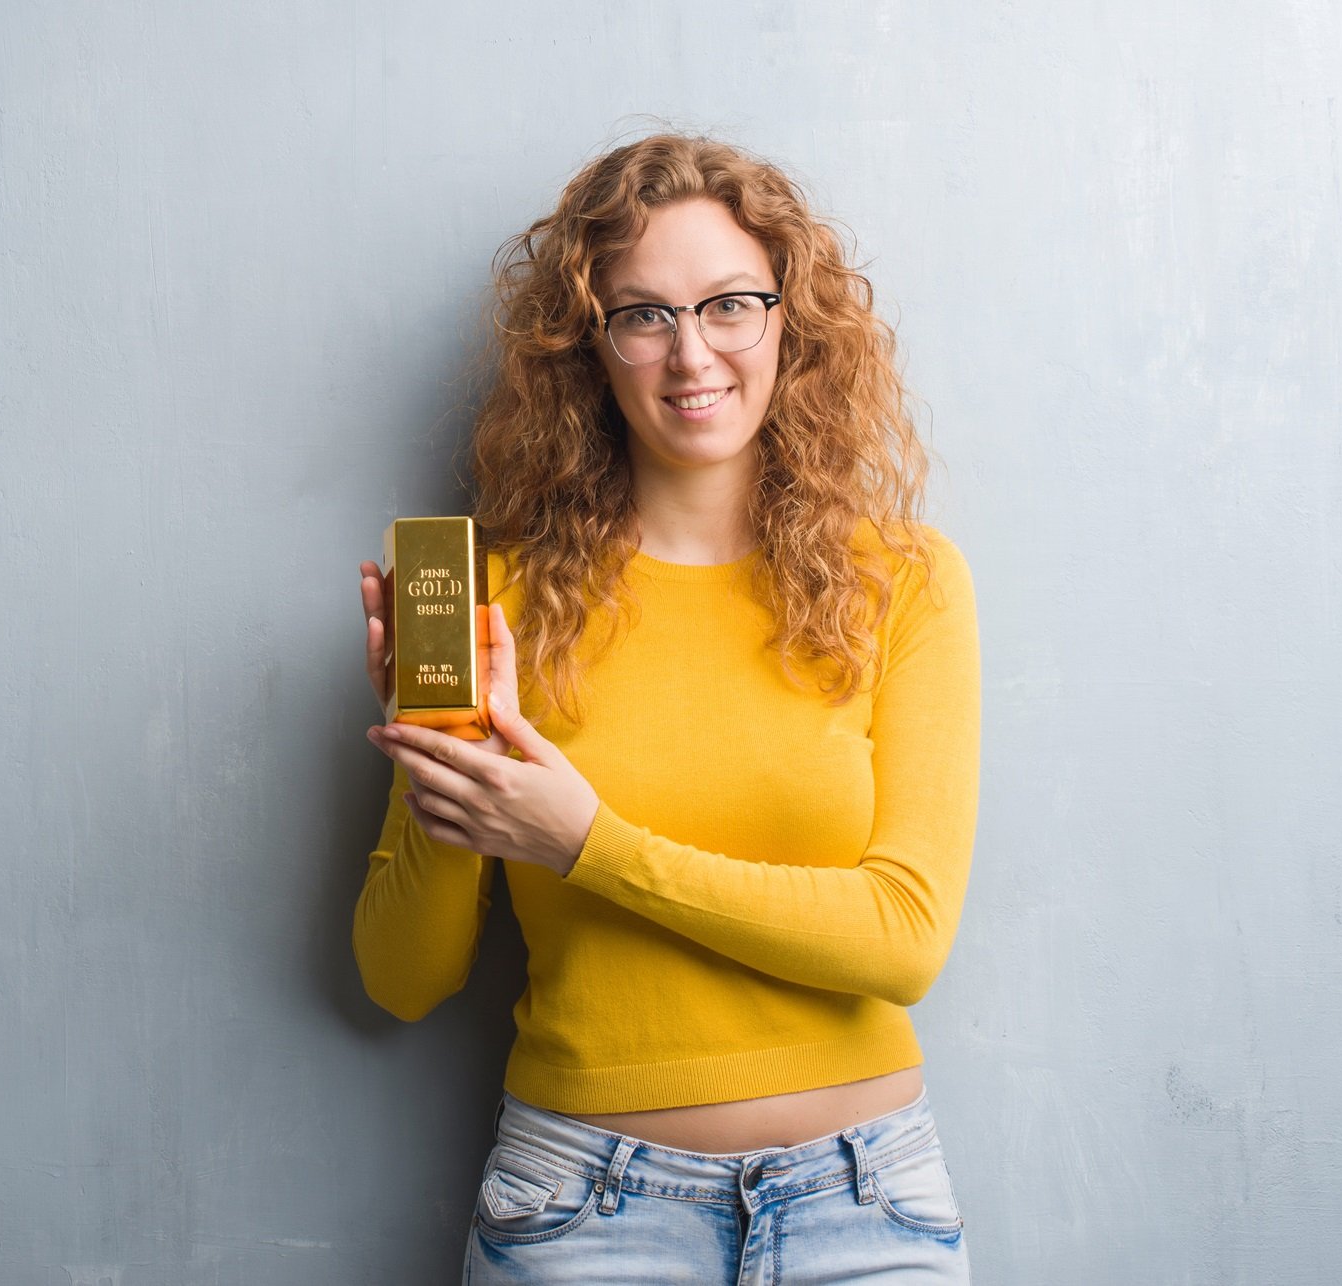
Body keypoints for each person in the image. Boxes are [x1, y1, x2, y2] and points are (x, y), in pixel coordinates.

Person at [352, 131, 981, 1283]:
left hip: (868, 1206)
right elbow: (403, 978)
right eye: (643, 315)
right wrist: (438, 753)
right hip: (583, 1210)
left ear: (790, 318)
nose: (691, 353)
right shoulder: (497, 599)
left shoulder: (908, 581)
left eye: (729, 303)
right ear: (589, 349)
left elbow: (903, 937)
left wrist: (585, 842)